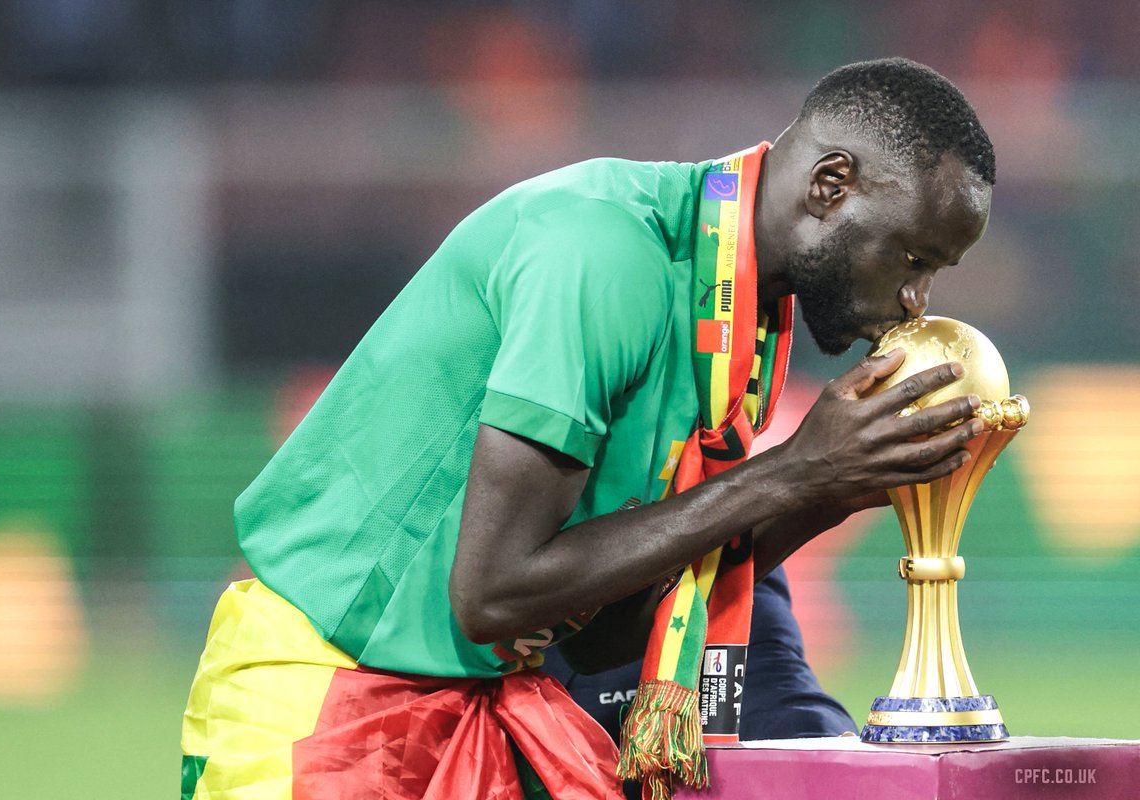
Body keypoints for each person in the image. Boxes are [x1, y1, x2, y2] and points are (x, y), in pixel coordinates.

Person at [181, 57, 996, 800]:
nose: (916, 299)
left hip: (479, 704)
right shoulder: (604, 251)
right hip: (328, 699)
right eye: (913, 257)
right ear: (831, 185)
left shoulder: (750, 317)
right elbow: (494, 594)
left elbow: (611, 625)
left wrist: (836, 489)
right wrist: (790, 474)